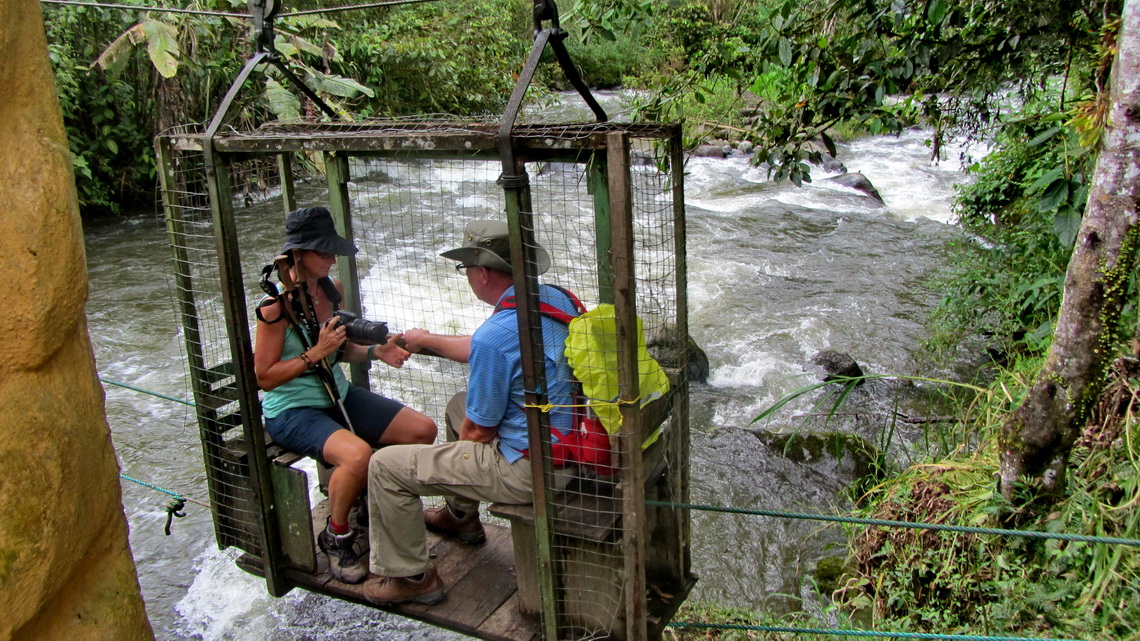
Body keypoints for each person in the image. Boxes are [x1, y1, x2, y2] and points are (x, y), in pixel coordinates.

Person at [360, 220, 580, 606]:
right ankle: (461, 518)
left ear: (481, 273)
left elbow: (478, 432)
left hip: (531, 473)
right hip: (571, 444)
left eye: (465, 269)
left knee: (385, 466)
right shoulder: (555, 298)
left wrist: (457, 464)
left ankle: (413, 577)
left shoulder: (496, 335)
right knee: (457, 403)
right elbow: (489, 347)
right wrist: (427, 340)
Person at [253, 206, 437, 584]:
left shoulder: (329, 289)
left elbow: (339, 351)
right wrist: (313, 354)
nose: (329, 257)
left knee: (423, 430)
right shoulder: (275, 309)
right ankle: (336, 535)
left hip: (337, 394)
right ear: (297, 254)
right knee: (357, 455)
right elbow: (265, 377)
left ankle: (377, 501)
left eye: (331, 250)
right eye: (321, 251)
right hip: (292, 410)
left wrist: (375, 351)